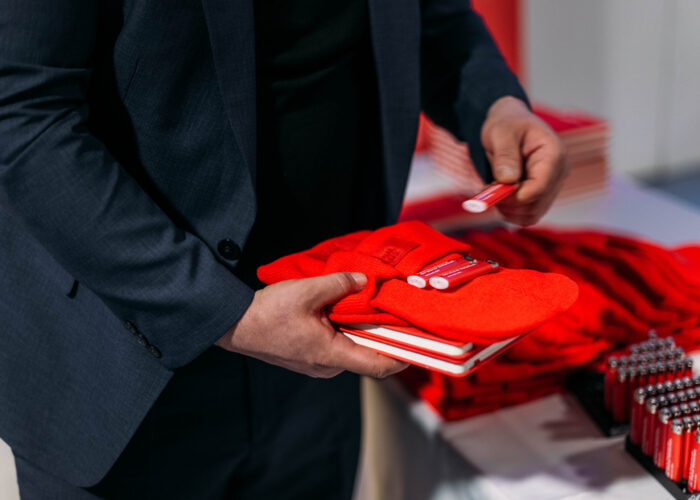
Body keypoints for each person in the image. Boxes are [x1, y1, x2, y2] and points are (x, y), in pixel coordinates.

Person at [0, 0, 568, 498]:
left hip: (325, 332)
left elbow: (430, 14)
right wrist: (221, 312)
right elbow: (23, 115)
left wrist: (494, 103)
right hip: (120, 354)